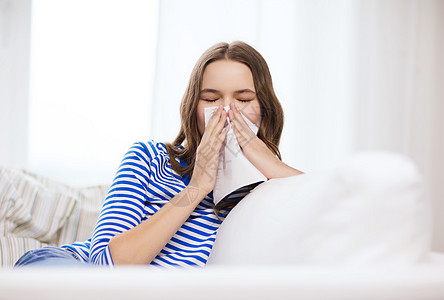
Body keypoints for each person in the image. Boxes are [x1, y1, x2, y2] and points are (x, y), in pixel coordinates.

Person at [14, 41, 304, 268]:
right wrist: (196, 188)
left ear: (264, 109)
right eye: (211, 99)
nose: (227, 112)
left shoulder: (265, 195)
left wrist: (266, 161)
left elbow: (329, 205)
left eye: (243, 100)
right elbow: (103, 268)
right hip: (68, 270)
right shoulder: (150, 157)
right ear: (194, 107)